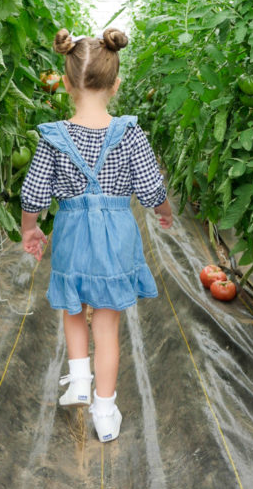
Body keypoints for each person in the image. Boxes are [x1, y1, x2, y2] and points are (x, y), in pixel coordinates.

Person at [20, 27, 173, 443]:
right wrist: (164, 211)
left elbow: (33, 192)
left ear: (66, 83)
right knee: (107, 325)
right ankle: (105, 413)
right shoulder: (129, 133)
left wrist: (30, 229)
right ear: (116, 84)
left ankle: (80, 378)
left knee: (73, 308)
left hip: (71, 232)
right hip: (116, 237)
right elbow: (150, 187)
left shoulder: (54, 137)